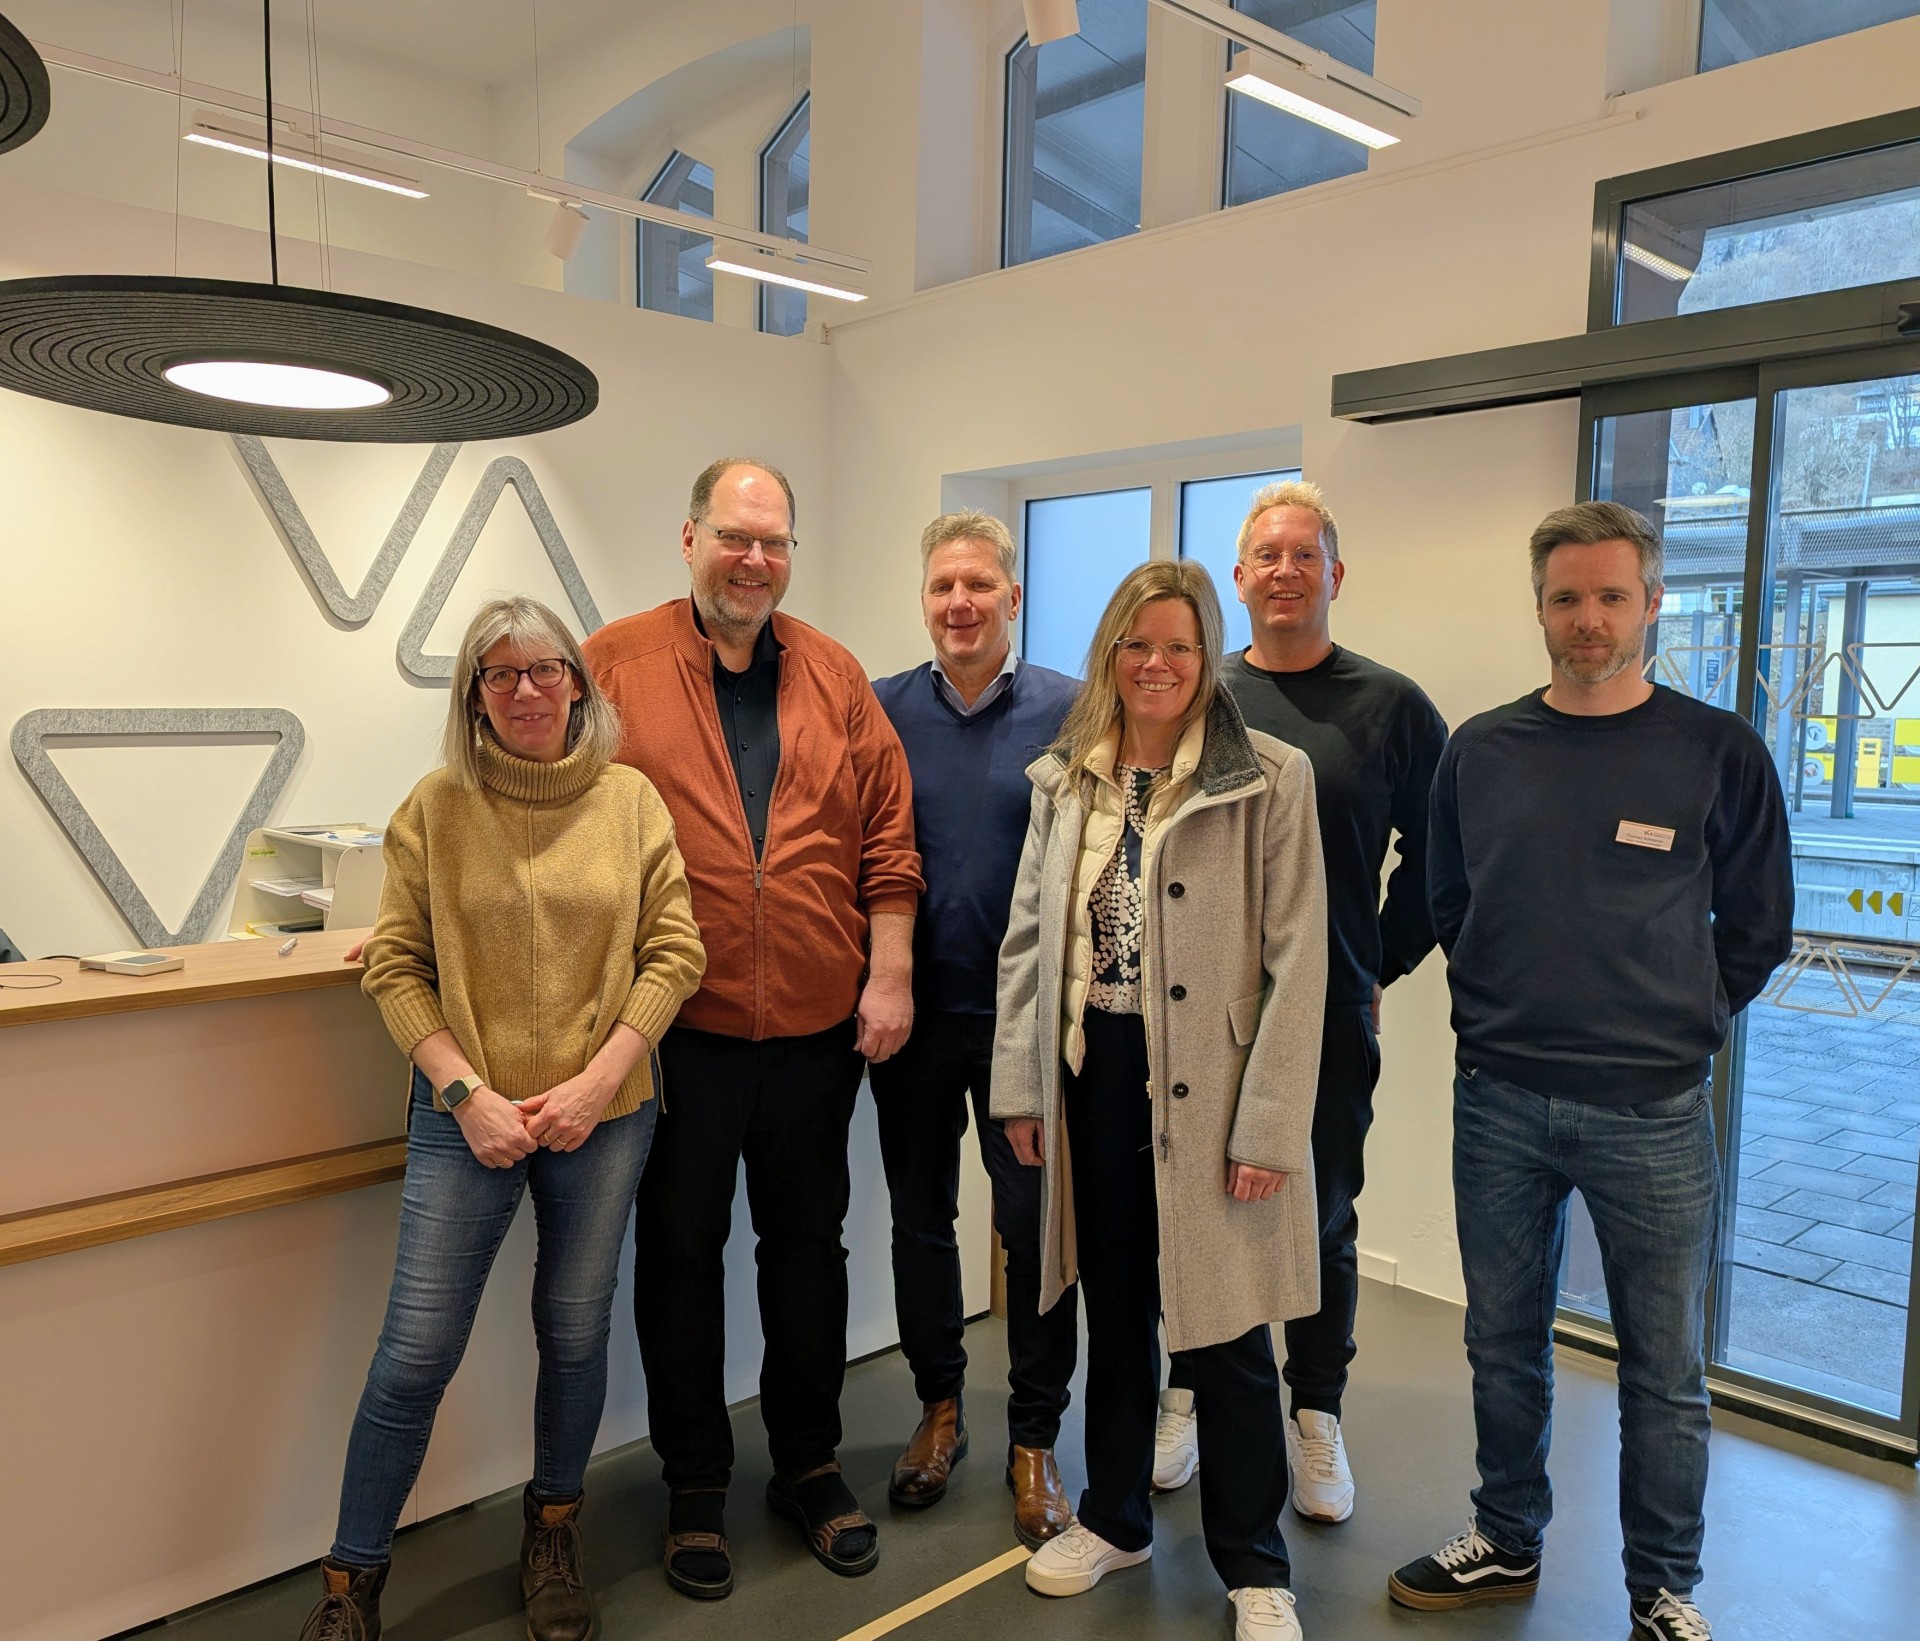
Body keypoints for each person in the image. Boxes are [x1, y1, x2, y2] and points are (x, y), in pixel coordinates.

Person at [1389, 502, 1792, 1641]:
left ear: (1653, 603)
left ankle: (1663, 1590)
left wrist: (1682, 1018)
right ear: (1540, 608)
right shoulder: (1482, 748)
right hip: (1501, 1101)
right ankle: (1507, 1540)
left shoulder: (1719, 751)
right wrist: (1499, 1008)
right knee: (1500, 1340)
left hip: (1654, 1113)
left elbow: (1757, 925)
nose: (1588, 619)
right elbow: (1448, 898)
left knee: (1664, 1371)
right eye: (1567, 598)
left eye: (1613, 596)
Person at [297, 596, 705, 1641]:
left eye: (542, 670)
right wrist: (466, 1095)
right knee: (416, 1353)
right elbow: (394, 964)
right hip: (462, 1118)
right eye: (499, 674)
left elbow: (674, 955)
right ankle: (353, 1582)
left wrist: (596, 1082)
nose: (524, 691)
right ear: (473, 698)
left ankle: (554, 1531)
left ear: (578, 680)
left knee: (572, 1334)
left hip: (605, 1114)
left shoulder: (632, 805)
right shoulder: (435, 807)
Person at [582, 458, 922, 1597]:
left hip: (821, 1029)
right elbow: (538, 806)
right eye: (735, 537)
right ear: (689, 540)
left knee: (807, 1255)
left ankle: (810, 1466)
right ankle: (694, 1486)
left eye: (774, 543)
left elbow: (888, 843)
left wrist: (891, 978)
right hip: (677, 1031)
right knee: (679, 1258)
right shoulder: (613, 664)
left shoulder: (834, 675)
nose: (755, 561)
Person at [993, 560, 1329, 1641]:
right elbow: (1030, 946)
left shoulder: (1268, 777)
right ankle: (1116, 1517)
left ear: (1206, 656)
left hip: (1214, 1091)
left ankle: (1253, 1565)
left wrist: (1269, 1125)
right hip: (1095, 1076)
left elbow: (1299, 959)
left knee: (1224, 1331)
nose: (1157, 665)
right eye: (1137, 645)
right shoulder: (1068, 777)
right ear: (1110, 656)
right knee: (1117, 1310)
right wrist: (1020, 1085)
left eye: (1179, 646)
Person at [1155, 479, 1447, 1521]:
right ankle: (1187, 1387)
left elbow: (1443, 857)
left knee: (1319, 1215)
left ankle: (1313, 1413)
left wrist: (1378, 964)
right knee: (1193, 1212)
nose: (1284, 572)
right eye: (1265, 556)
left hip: (1324, 1013)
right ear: (1239, 577)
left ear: (1334, 573)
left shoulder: (1393, 706)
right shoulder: (1197, 695)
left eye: (1303, 555)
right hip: (1196, 1013)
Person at [868, 511, 1081, 1547]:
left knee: (1034, 1233)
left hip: (1028, 1029)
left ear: (1014, 598)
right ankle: (939, 1408)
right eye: (944, 586)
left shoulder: (1073, 713)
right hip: (907, 1018)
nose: (961, 604)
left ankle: (1034, 1439)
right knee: (919, 1224)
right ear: (926, 599)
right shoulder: (880, 711)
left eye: (980, 587)